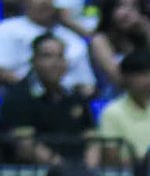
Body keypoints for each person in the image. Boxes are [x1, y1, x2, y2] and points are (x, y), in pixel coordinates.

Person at [0, 31, 94, 164]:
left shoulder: (75, 96)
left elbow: (92, 138)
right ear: (34, 61)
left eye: (60, 56)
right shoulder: (18, 97)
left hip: (80, 172)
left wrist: (89, 169)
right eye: (47, 56)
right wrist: (66, 171)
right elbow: (26, 146)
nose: (56, 63)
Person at [0, 0, 93, 92]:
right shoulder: (6, 30)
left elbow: (87, 84)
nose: (45, 1)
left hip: (65, 101)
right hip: (20, 98)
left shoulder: (73, 40)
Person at [95, 47, 150, 159]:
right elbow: (112, 158)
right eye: (141, 74)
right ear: (126, 77)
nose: (147, 80)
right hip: (125, 175)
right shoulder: (111, 113)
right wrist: (146, 167)